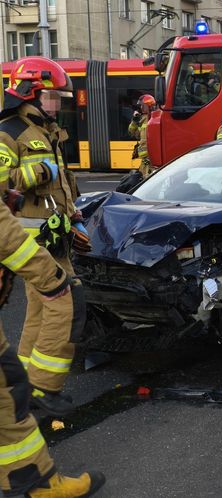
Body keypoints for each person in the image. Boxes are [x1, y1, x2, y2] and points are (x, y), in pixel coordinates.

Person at [0, 56, 89, 416]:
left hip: (53, 236)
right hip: (26, 240)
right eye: (54, 98)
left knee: (38, 310)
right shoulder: (10, 133)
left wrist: (74, 214)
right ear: (30, 94)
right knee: (67, 302)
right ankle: (43, 388)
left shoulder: (46, 131)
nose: (59, 104)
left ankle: (26, 385)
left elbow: (62, 184)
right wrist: (38, 170)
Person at [0, 196, 105, 497]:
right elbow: (9, 237)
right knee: (7, 394)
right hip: (40, 242)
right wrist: (55, 280)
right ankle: (41, 485)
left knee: (8, 394)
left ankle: (37, 482)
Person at [128, 93, 156, 178]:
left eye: (142, 105)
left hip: (151, 158)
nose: (141, 107)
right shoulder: (141, 118)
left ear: (148, 105)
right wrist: (134, 121)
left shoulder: (155, 117)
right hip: (145, 159)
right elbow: (132, 132)